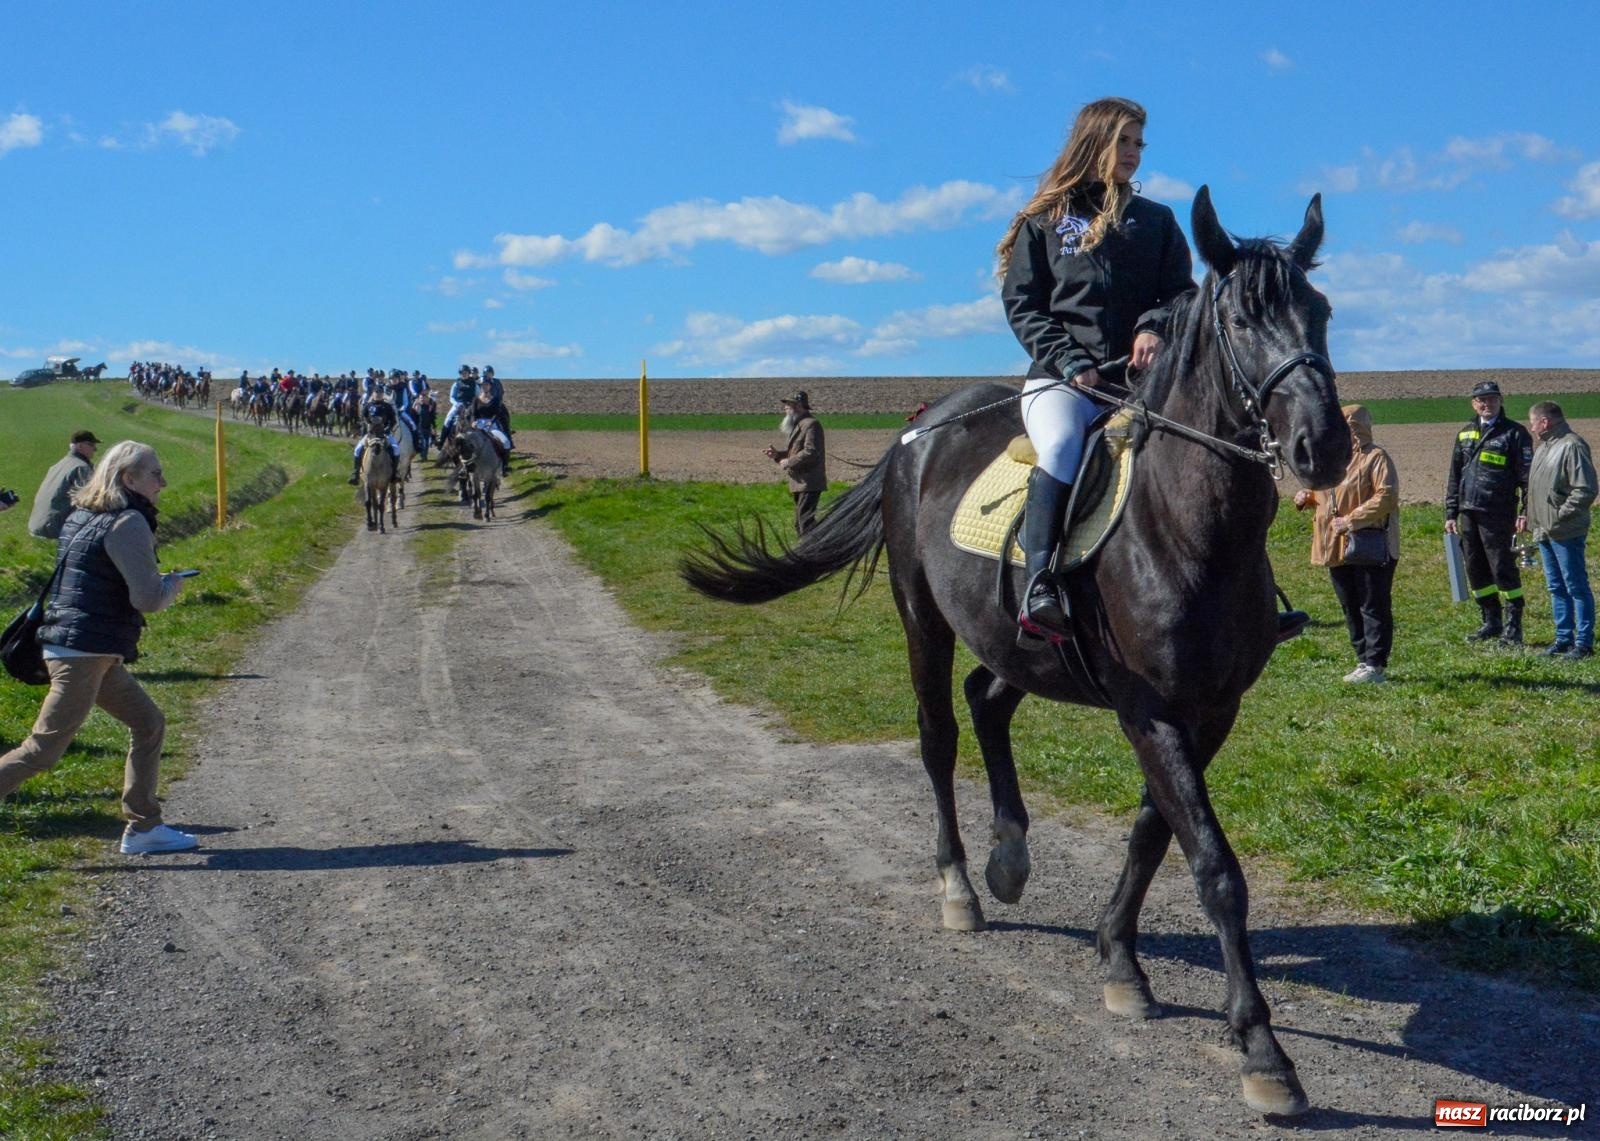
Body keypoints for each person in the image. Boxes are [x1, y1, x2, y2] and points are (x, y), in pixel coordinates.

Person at [996, 97, 1196, 638]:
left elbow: (1180, 291)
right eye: (1123, 141)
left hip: (1137, 384)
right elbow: (1023, 304)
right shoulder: (1046, 220)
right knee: (1061, 444)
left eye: (1139, 143)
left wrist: (1153, 324)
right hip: (1061, 383)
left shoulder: (1156, 221)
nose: (1132, 153)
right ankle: (1040, 580)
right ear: (1095, 142)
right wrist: (1069, 359)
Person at [0, 441, 197, 855]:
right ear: (129, 479)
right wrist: (172, 584)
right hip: (84, 654)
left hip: (88, 650)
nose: (163, 483)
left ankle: (144, 827)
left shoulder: (83, 516)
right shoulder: (128, 522)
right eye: (155, 474)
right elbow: (147, 599)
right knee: (42, 751)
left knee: (149, 723)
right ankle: (144, 827)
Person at [1293, 405, 1400, 683]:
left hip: (1369, 543)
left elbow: (1386, 497)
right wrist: (1308, 497)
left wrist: (1352, 520)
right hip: (1335, 545)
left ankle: (1376, 666)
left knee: (1372, 604)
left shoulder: (1376, 458)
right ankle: (1362, 660)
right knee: (1350, 605)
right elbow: (1328, 494)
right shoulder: (1333, 460)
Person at [1445, 380, 1533, 646]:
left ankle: (1513, 627)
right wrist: (1450, 513)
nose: (1486, 404)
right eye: (1481, 400)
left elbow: (1528, 478)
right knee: (1475, 568)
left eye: (1492, 399)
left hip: (1498, 513)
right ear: (1474, 403)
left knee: (1502, 567)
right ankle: (1490, 621)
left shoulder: (1515, 434)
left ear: (1500, 401)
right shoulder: (1464, 433)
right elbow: (1454, 476)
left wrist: (1525, 511)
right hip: (1467, 512)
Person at [1524, 401, 1596, 659]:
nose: (1531, 428)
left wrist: (1558, 517)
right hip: (1544, 530)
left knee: (1575, 586)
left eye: (1532, 422)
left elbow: (1585, 489)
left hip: (1565, 531)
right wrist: (1528, 516)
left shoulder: (1571, 445)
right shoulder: (1545, 447)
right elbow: (1536, 489)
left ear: (1545, 422)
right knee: (1556, 586)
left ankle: (1584, 643)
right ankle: (1563, 638)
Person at [764, 391, 827, 535]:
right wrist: (777, 455)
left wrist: (788, 462)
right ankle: (813, 550)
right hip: (799, 482)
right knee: (800, 523)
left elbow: (811, 452)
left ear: (798, 405)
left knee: (805, 523)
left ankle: (814, 552)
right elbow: (796, 452)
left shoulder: (811, 424)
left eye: (788, 404)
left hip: (809, 482)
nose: (785, 407)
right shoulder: (800, 424)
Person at [28, 430, 100, 540]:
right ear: (80, 446)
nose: (95, 449)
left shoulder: (57, 465)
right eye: (91, 445)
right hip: (55, 530)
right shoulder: (81, 468)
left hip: (36, 526)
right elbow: (91, 501)